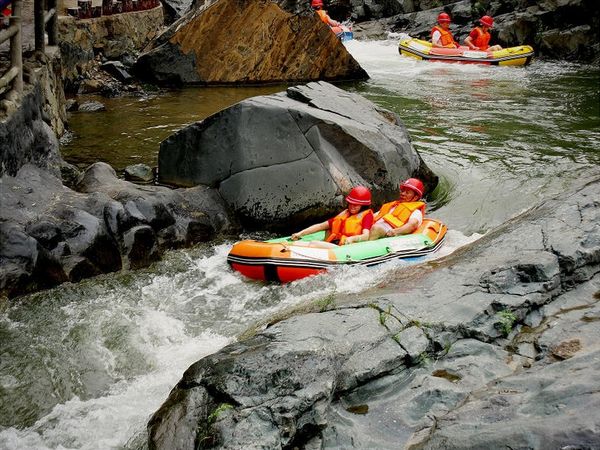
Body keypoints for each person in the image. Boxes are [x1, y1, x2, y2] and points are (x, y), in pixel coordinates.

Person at [291, 186, 374, 248]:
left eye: (356, 205)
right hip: (334, 242)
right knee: (296, 244)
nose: (352, 206)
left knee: (313, 244)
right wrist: (300, 233)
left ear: (363, 206)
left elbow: (366, 236)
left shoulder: (367, 216)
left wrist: (352, 239)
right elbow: (320, 226)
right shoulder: (345, 214)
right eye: (350, 203)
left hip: (346, 247)